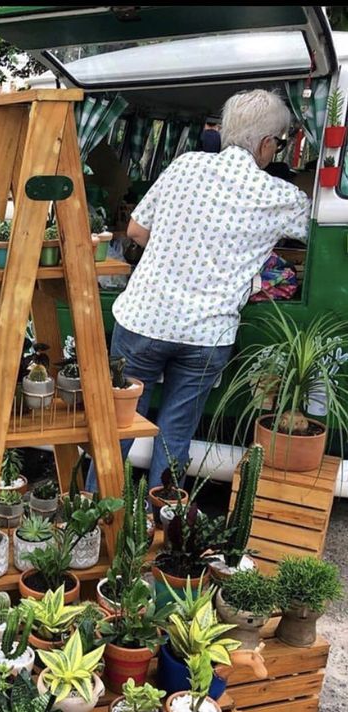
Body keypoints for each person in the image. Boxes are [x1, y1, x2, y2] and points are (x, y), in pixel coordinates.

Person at [87, 89, 310, 494]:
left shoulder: (185, 166)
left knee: (117, 426)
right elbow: (318, 230)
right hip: (206, 336)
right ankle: (159, 524)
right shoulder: (282, 197)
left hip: (144, 319)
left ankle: (87, 516)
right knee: (176, 435)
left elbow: (136, 231)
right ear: (265, 144)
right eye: (278, 143)